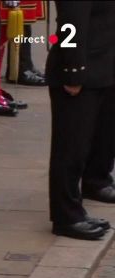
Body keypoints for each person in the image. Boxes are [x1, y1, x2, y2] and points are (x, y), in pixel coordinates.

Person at [46, 1, 115, 240]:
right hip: (81, 72)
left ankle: (95, 181)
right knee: (71, 149)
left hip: (105, 64)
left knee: (102, 137)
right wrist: (72, 69)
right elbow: (69, 24)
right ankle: (66, 216)